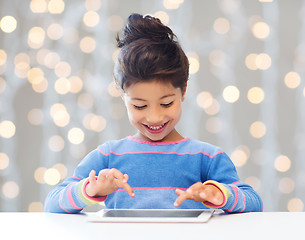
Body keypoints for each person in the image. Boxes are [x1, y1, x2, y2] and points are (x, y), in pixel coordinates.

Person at [44, 13, 263, 213]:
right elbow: (52, 203)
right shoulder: (109, 156)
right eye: (140, 106)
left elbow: (254, 202)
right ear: (122, 95)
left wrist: (219, 194)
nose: (155, 117)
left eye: (166, 103)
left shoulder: (206, 158)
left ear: (183, 91)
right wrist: (90, 189)